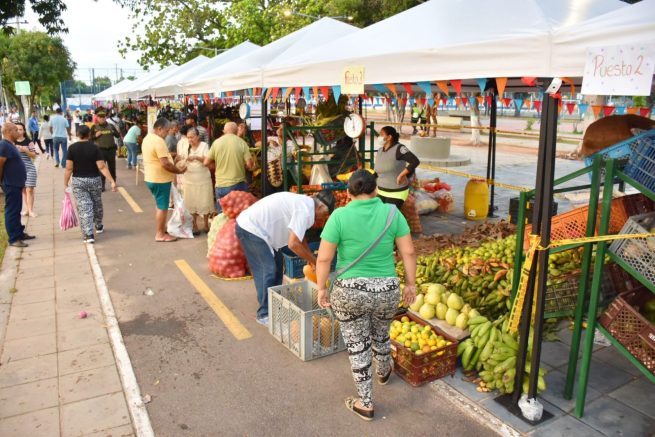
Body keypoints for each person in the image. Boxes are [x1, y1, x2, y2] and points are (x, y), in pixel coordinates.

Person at [316, 170, 417, 421]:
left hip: (349, 292)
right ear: (376, 191)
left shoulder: (339, 215)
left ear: (348, 193)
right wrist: (410, 285)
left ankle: (366, 403)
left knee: (357, 346)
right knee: (381, 333)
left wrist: (321, 288)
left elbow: (325, 258)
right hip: (386, 291)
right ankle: (383, 371)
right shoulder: (393, 213)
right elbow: (409, 253)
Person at [235, 190, 335, 325]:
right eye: (324, 214)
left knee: (277, 265)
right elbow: (293, 244)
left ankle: (274, 305)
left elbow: (300, 237)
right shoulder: (305, 210)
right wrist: (314, 261)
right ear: (321, 207)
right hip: (251, 229)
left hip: (260, 229)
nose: (323, 218)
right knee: (268, 270)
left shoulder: (305, 204)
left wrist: (308, 256)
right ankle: (264, 314)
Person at [64, 125, 117, 244]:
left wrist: (65, 183)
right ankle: (98, 225)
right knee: (97, 202)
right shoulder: (95, 148)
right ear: (89, 135)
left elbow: (68, 168)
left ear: (77, 134)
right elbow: (102, 167)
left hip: (79, 181)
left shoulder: (72, 148)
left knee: (84, 206)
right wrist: (112, 181)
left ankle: (88, 234)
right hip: (94, 179)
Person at [142, 117, 186, 242]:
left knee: (160, 205)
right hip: (159, 179)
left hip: (151, 177)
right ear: (159, 128)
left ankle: (161, 228)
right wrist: (179, 171)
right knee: (163, 207)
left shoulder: (148, 138)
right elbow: (165, 163)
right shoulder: (158, 141)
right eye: (166, 131)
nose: (167, 133)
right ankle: (160, 234)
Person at [204, 122, 253, 213]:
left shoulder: (216, 143)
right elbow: (250, 165)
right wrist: (242, 165)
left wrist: (217, 166)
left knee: (222, 215)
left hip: (220, 185)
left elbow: (206, 162)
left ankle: (222, 227)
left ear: (224, 131)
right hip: (238, 184)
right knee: (238, 213)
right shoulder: (242, 143)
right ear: (236, 131)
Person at [0, 122, 35, 248]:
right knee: (12, 211)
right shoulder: (4, 145)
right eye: (16, 130)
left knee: (17, 210)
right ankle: (14, 238)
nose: (19, 132)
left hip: (17, 183)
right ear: (9, 132)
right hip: (10, 183)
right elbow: (0, 164)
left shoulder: (11, 145)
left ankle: (19, 233)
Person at [178, 127, 213, 234]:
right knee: (191, 201)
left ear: (197, 137)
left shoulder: (204, 146)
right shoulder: (185, 146)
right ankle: (194, 225)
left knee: (205, 200)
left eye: (192, 137)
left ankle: (206, 224)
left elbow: (208, 160)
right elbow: (181, 159)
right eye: (188, 137)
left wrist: (197, 158)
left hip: (203, 178)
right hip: (189, 179)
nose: (190, 140)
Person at [375, 126, 420, 208]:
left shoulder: (399, 148)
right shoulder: (380, 151)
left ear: (389, 137)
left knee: (388, 216)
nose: (379, 137)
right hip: (381, 191)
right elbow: (378, 171)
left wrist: (401, 175)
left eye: (382, 134)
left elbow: (415, 161)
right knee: (379, 215)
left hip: (396, 192)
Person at [90, 111, 121, 191]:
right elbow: (89, 139)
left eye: (103, 117)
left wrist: (115, 131)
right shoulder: (94, 127)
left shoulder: (111, 126)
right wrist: (95, 136)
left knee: (112, 168)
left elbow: (117, 136)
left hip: (111, 150)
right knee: (102, 169)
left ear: (105, 117)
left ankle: (113, 184)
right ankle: (102, 185)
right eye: (100, 117)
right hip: (100, 151)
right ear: (97, 118)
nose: (102, 119)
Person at [14, 123, 38, 217]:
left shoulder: (29, 142)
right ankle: (27, 210)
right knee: (24, 190)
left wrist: (25, 150)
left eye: (20, 129)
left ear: (24, 131)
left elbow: (34, 155)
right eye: (17, 129)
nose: (19, 131)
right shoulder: (12, 142)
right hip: (18, 171)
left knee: (29, 189)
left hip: (29, 169)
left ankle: (31, 210)